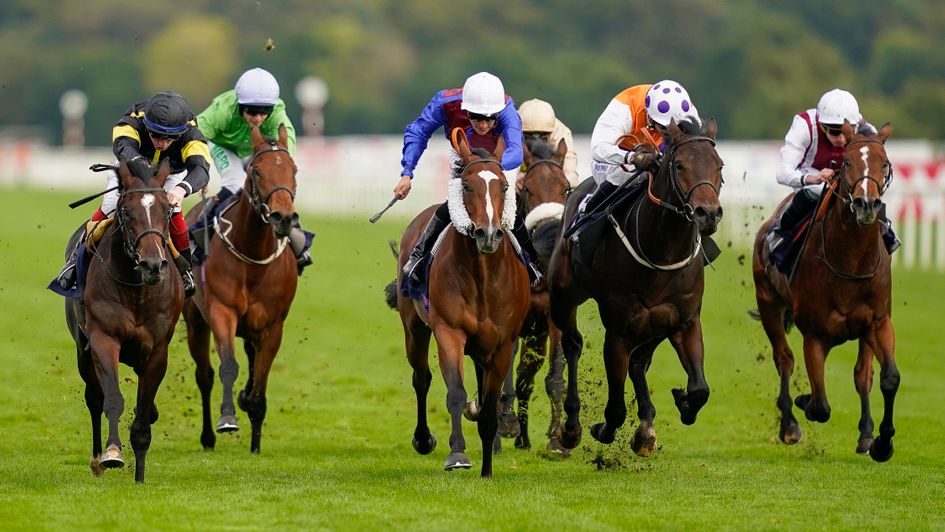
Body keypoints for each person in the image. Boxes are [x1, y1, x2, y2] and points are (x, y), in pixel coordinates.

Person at [54, 91, 207, 296]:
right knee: (110, 205)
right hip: (131, 169)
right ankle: (75, 261)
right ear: (147, 126)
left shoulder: (192, 133)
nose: (162, 143)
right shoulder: (131, 121)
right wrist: (147, 180)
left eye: (170, 139)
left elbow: (200, 168)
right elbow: (124, 149)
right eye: (156, 136)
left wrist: (182, 190)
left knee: (174, 211)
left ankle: (185, 269)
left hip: (169, 174)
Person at [395, 71, 539, 284]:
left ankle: (532, 263)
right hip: (464, 154)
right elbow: (418, 131)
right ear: (464, 108)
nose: (483, 125)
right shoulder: (445, 102)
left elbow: (516, 151)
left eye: (490, 118)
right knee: (455, 205)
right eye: (476, 117)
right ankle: (418, 256)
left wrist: (491, 167)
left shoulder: (508, 110)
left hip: (500, 158)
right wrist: (407, 172)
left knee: (508, 211)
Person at [195, 67, 312, 271]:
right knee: (235, 182)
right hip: (223, 145)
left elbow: (285, 155)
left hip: (254, 149)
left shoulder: (278, 115)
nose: (258, 117)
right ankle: (196, 234)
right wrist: (197, 168)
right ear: (240, 106)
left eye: (264, 111)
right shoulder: (222, 110)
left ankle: (298, 242)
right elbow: (194, 135)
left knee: (274, 183)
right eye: (251, 111)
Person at [768, 88, 900, 254]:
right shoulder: (804, 126)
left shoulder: (866, 130)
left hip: (847, 177)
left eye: (846, 130)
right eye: (834, 132)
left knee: (867, 194)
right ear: (822, 126)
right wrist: (813, 178)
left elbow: (878, 166)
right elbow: (782, 172)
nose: (842, 139)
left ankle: (885, 228)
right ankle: (781, 233)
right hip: (811, 175)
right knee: (816, 191)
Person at [572, 80, 700, 228]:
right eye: (664, 128)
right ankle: (587, 212)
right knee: (628, 175)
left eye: (675, 128)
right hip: (615, 161)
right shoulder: (625, 106)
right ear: (650, 117)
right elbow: (599, 149)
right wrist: (633, 157)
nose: (669, 133)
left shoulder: (687, 111)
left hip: (658, 155)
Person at [517, 98, 579, 186]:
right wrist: (514, 179)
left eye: (543, 136)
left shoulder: (561, 134)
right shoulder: (507, 129)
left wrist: (559, 181)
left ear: (551, 132)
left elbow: (571, 173)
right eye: (528, 136)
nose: (535, 142)